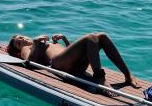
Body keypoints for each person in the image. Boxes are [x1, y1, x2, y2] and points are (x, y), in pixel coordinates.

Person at [7, 32, 136, 87]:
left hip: (73, 64)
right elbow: (30, 64)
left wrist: (65, 40)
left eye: (21, 37)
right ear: (19, 49)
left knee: (102, 37)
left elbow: (72, 52)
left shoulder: (43, 41)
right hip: (57, 65)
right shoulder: (28, 48)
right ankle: (99, 78)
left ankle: (127, 75)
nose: (22, 40)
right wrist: (35, 44)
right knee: (91, 37)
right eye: (19, 42)